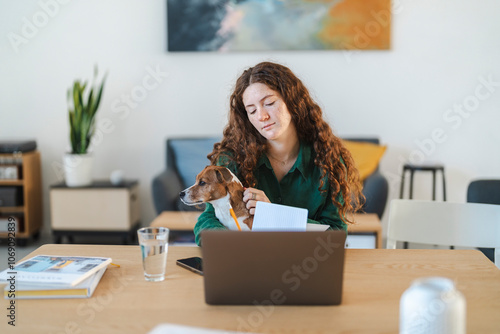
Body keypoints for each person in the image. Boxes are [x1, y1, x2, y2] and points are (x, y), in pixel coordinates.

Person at [193, 61, 364, 245]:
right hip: (247, 262)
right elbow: (206, 222)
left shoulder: (328, 161)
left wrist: (275, 216)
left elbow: (336, 233)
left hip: (305, 263)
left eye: (269, 103)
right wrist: (235, 247)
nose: (261, 116)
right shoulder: (232, 160)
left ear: (292, 102)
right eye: (252, 110)